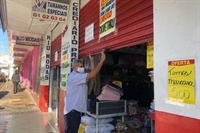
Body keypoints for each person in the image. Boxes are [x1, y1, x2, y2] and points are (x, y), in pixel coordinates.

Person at [64, 50, 106, 133]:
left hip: (74, 111)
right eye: (81, 66)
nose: (82, 68)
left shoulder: (78, 76)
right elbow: (93, 74)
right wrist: (102, 60)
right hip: (73, 111)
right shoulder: (75, 77)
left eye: (82, 66)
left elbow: (92, 73)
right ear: (75, 68)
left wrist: (92, 60)